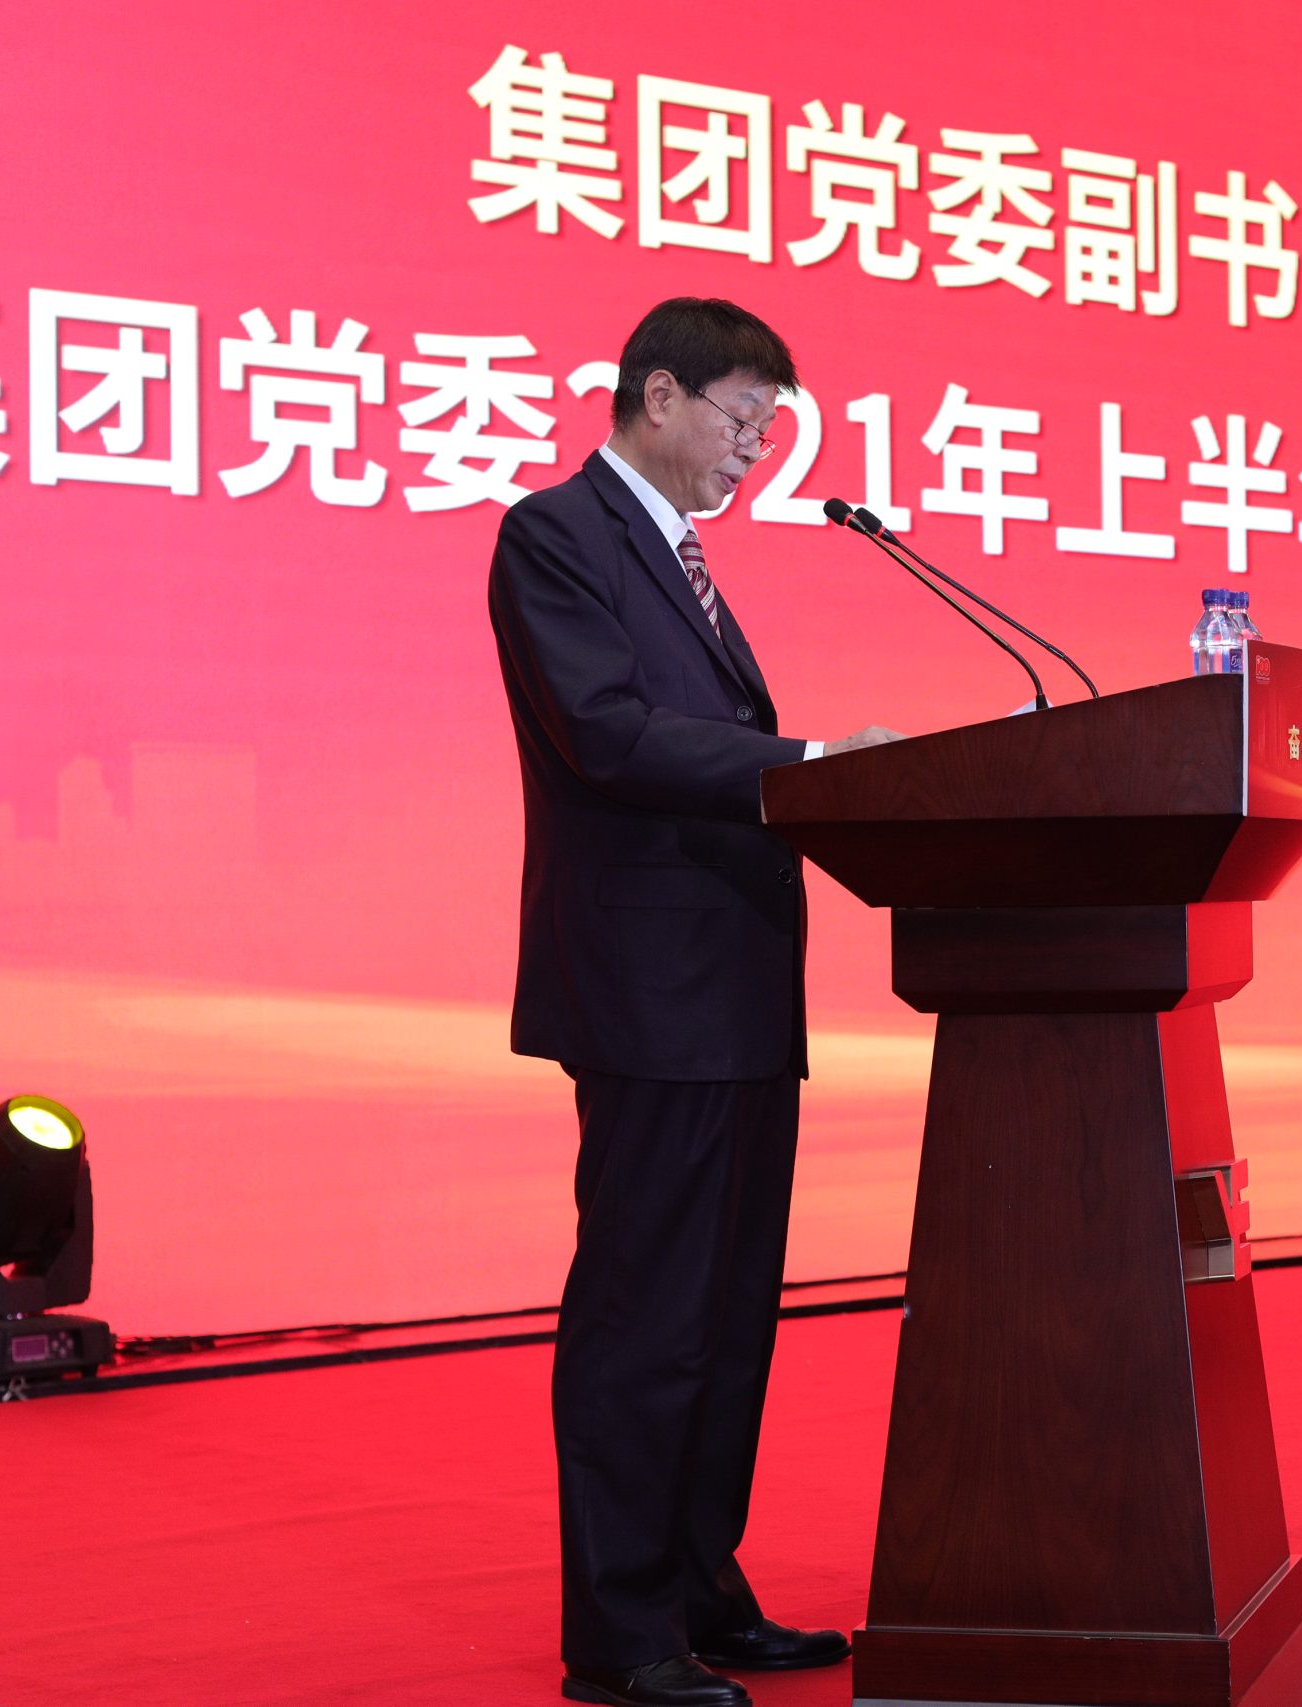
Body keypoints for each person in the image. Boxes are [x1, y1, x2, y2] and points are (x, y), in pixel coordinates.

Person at [487, 297, 899, 1707]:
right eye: (745, 420)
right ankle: (621, 1635)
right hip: (648, 996)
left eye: (771, 431)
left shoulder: (681, 559)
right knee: (646, 1313)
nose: (756, 451)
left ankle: (701, 1591)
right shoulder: (557, 535)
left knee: (727, 1317)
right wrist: (815, 762)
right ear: (658, 395)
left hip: (735, 994)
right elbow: (606, 735)